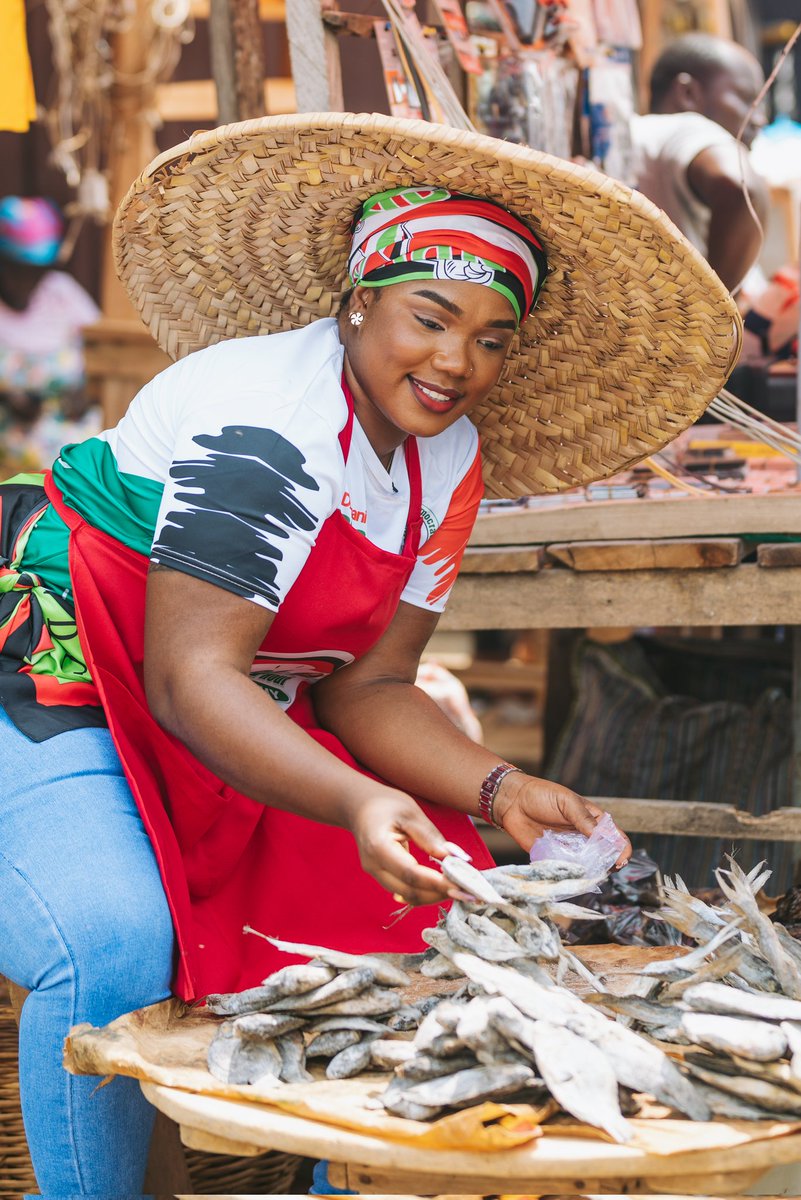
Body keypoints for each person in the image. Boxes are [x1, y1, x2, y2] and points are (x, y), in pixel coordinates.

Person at [0, 111, 738, 1195]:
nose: (457, 362)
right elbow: (186, 674)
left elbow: (371, 686)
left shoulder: (449, 461)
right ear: (356, 300)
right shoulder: (269, 420)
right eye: (430, 316)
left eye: (492, 337)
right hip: (68, 686)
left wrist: (501, 787)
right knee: (110, 945)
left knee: (434, 919)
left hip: (228, 717)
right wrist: (353, 804)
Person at [630, 32, 770, 294]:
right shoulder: (687, 126)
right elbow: (742, 186)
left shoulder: (635, 135)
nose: (759, 118)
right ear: (687, 93)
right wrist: (714, 316)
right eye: (747, 99)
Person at [0, 196, 101, 475]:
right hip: (10, 447)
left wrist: (89, 392)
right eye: (15, 269)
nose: (26, 280)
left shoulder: (61, 293)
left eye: (36, 271)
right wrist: (10, 400)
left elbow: (104, 349)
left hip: (72, 433)